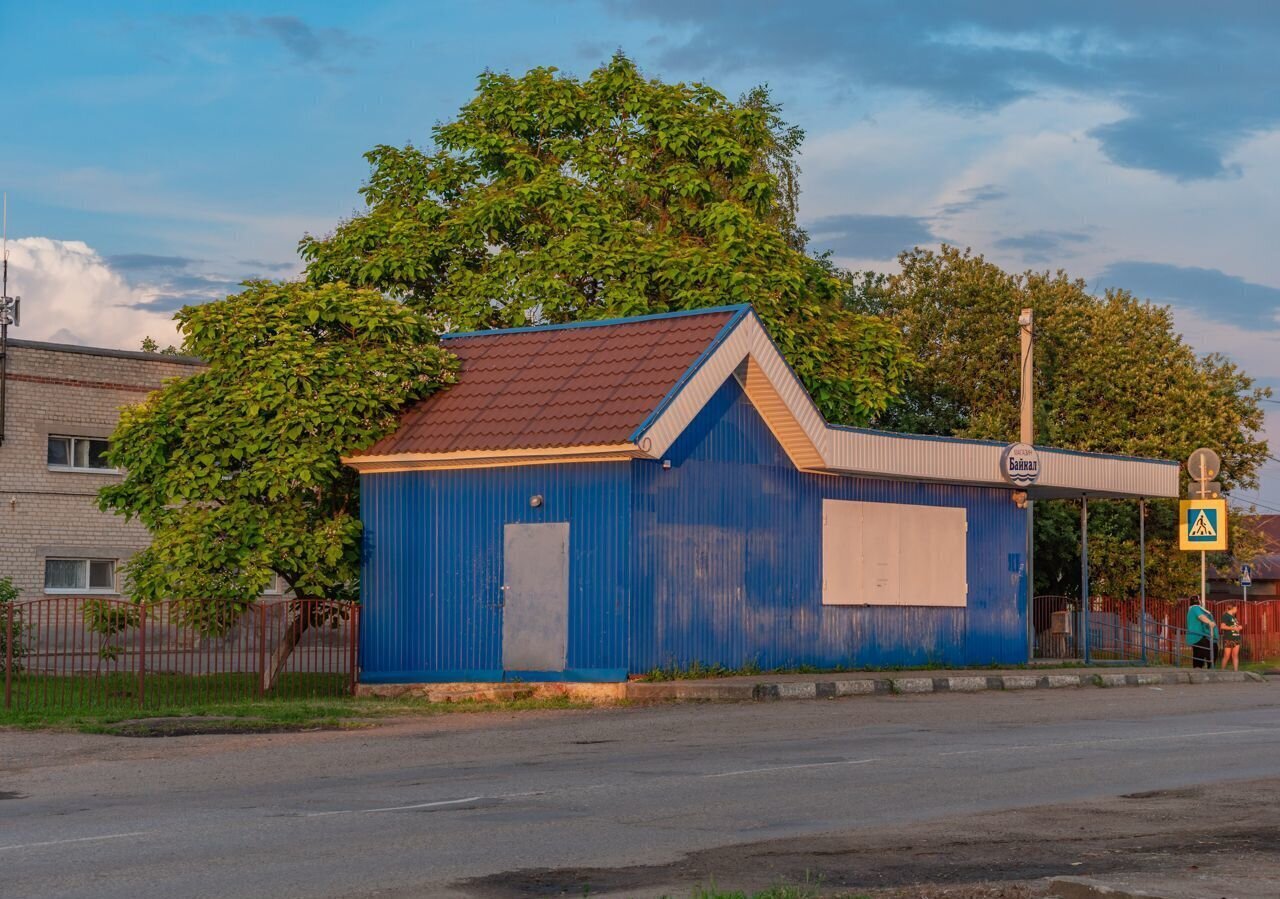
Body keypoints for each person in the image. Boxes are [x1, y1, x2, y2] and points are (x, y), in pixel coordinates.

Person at [1186, 599, 1217, 668]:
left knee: (1198, 653)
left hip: (1194, 636)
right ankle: (1210, 667)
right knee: (1211, 649)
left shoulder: (1191, 610)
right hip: (1197, 636)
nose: (1201, 601)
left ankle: (1197, 668)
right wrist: (1210, 622)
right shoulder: (1195, 607)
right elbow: (1201, 616)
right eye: (1200, 600)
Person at [1220, 603, 1242, 671]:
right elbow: (1222, 626)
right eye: (1236, 608)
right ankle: (1222, 671)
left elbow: (1234, 626)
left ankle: (1236, 671)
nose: (1237, 610)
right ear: (1233, 608)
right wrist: (1233, 628)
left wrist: (1239, 627)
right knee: (1227, 656)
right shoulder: (1226, 616)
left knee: (1235, 655)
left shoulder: (1233, 617)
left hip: (1236, 638)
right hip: (1229, 638)